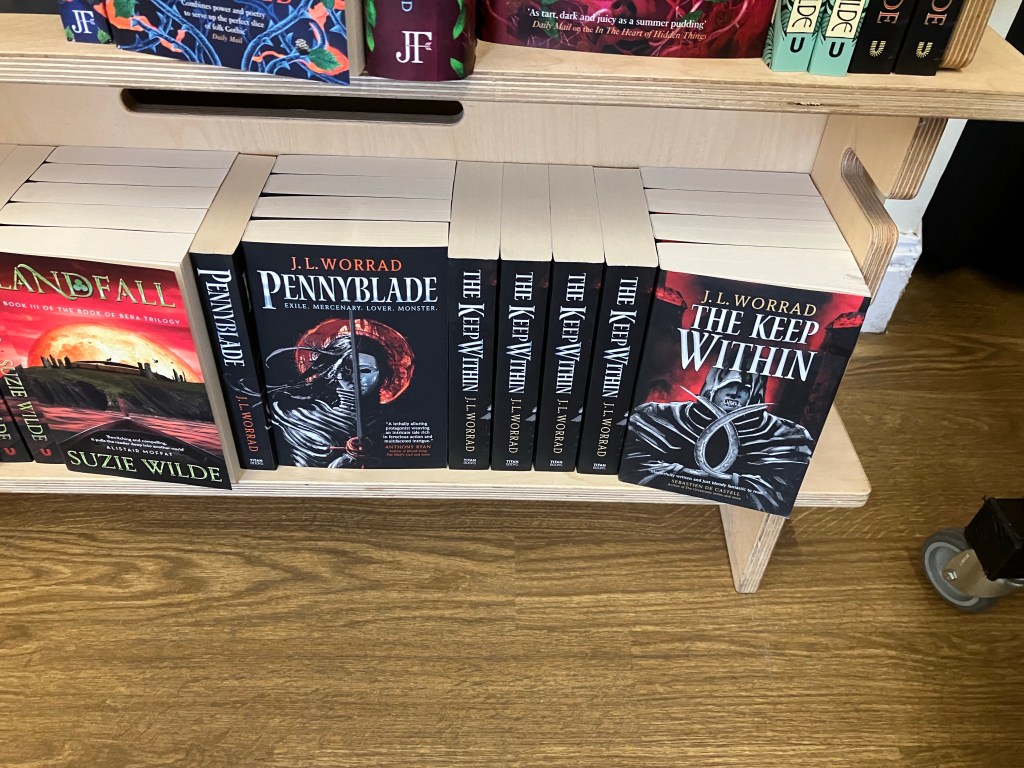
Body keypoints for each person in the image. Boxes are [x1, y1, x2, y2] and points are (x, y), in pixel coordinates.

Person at [621, 366, 814, 514]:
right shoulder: (658, 416)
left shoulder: (785, 435)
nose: (734, 393)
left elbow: (778, 491)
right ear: (712, 386)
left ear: (756, 392)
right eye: (727, 385)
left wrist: (723, 481)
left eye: (743, 388)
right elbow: (634, 464)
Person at [266, 333, 393, 468]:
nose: (355, 378)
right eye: (346, 370)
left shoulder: (388, 422)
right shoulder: (297, 417)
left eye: (365, 370)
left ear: (382, 372)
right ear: (332, 372)